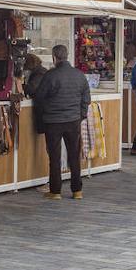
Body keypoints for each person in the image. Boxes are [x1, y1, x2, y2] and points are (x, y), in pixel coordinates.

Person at [34, 45, 91, 200]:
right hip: (73, 121)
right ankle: (77, 190)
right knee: (74, 155)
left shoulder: (50, 76)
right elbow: (86, 97)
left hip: (53, 121)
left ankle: (55, 191)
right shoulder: (79, 75)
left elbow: (39, 97)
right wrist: (81, 114)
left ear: (54, 58)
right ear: (67, 56)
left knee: (55, 157)